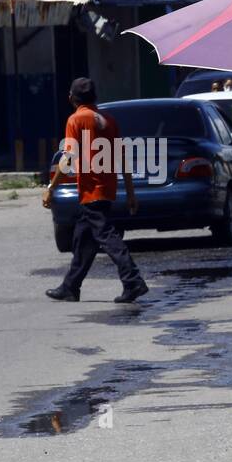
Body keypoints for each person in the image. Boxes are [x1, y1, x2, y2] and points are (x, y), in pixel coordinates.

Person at [42, 77, 147, 303]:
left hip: (91, 190)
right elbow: (122, 159)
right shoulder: (109, 120)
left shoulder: (76, 120)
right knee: (84, 239)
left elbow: (68, 157)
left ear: (71, 98)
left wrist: (51, 187)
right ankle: (70, 287)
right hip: (107, 188)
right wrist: (130, 193)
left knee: (107, 236)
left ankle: (133, 280)